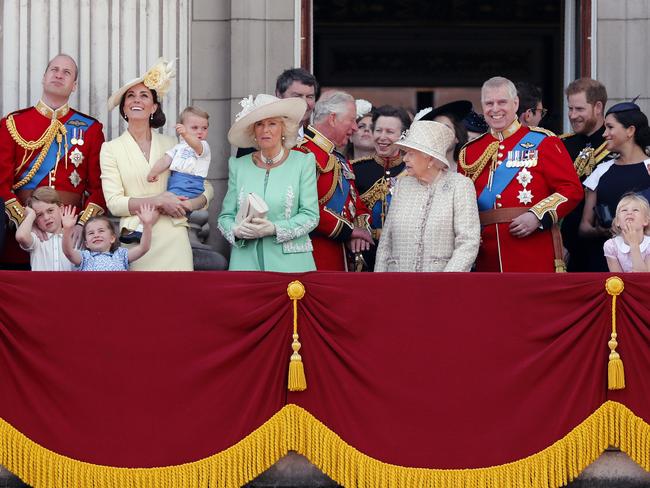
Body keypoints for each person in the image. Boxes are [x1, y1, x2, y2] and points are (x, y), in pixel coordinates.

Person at [458, 76, 582, 272]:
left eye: (502, 102)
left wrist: (537, 216)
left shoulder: (544, 141)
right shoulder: (470, 152)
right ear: (482, 106)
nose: (495, 109)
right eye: (489, 103)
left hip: (532, 251)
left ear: (515, 104)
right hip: (485, 257)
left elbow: (571, 190)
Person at [101, 58, 213, 271]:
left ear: (153, 107)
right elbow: (114, 203)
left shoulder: (173, 144)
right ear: (124, 107)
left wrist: (190, 204)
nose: (137, 100)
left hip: (174, 236)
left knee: (178, 302)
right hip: (136, 239)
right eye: (131, 96)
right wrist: (159, 201)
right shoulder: (110, 149)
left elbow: (206, 187)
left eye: (144, 95)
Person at [0, 53, 105, 269]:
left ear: (74, 85)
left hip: (69, 239)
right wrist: (26, 221)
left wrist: (81, 226)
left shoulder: (91, 129)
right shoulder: (12, 123)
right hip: (20, 237)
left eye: (67, 72)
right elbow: (1, 183)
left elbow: (100, 188)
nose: (59, 75)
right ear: (44, 77)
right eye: (54, 70)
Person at [218, 94, 319, 271]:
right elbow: (225, 217)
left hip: (291, 266)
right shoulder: (238, 165)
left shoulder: (303, 162)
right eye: (259, 124)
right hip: (245, 265)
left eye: (272, 123)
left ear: (283, 128)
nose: (265, 130)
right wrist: (235, 230)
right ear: (253, 131)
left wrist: (274, 228)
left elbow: (311, 216)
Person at [375, 120, 480, 272]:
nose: (404, 159)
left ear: (430, 158)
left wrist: (444, 282)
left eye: (411, 153)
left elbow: (468, 242)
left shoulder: (460, 185)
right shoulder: (402, 186)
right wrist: (379, 283)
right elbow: (386, 243)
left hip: (439, 287)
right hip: (398, 283)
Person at [295, 90, 373, 270]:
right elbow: (302, 207)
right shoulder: (302, 154)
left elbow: (357, 206)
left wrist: (359, 232)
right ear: (332, 118)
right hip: (314, 258)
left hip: (340, 258)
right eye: (352, 120)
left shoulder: (339, 159)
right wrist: (349, 232)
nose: (355, 127)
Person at [121, 106, 211, 243]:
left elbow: (196, 146)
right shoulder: (179, 147)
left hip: (190, 183)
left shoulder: (203, 146)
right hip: (176, 181)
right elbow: (166, 160)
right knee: (161, 205)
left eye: (204, 128)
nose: (200, 132)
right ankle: (143, 230)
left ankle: (140, 230)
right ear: (182, 127)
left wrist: (187, 134)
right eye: (195, 128)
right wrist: (154, 171)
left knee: (159, 204)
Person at [580, 101, 650, 271]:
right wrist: (603, 230)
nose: (605, 134)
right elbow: (584, 227)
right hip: (605, 263)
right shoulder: (601, 171)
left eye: (610, 127)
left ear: (630, 131)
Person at [560, 78, 613, 271]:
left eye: (579, 109)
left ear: (598, 107)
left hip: (603, 249)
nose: (573, 115)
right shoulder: (561, 145)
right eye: (570, 109)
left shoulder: (615, 147)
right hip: (566, 248)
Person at [351, 105, 411, 270]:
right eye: (378, 130)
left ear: (403, 135)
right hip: (364, 254)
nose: (382, 137)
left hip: (403, 254)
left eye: (390, 132)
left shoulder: (412, 171)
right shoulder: (355, 170)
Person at [236, 68, 319, 158]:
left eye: (310, 97)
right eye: (297, 96)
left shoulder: (317, 141)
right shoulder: (256, 139)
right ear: (279, 95)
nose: (304, 103)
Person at [61, 205, 156, 271]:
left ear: (112, 238)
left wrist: (147, 225)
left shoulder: (121, 255)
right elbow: (69, 253)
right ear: (86, 243)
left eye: (101, 231)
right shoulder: (85, 257)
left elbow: (143, 248)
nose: (96, 235)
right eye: (91, 233)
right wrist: (67, 229)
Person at [15, 187, 73, 271]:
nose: (46, 217)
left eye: (50, 210)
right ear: (35, 220)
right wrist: (30, 215)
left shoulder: (74, 237)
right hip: (41, 284)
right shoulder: (36, 239)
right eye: (39, 215)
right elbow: (21, 237)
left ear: (61, 209)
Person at [418, 100, 472, 171]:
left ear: (457, 137)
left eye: (446, 128)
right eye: (436, 128)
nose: (441, 132)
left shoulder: (467, 172)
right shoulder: (420, 171)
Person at [604, 193, 650, 272]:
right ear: (617, 222)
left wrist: (634, 244)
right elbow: (618, 279)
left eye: (635, 210)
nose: (629, 213)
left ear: (646, 221)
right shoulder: (611, 246)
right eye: (624, 210)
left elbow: (644, 278)